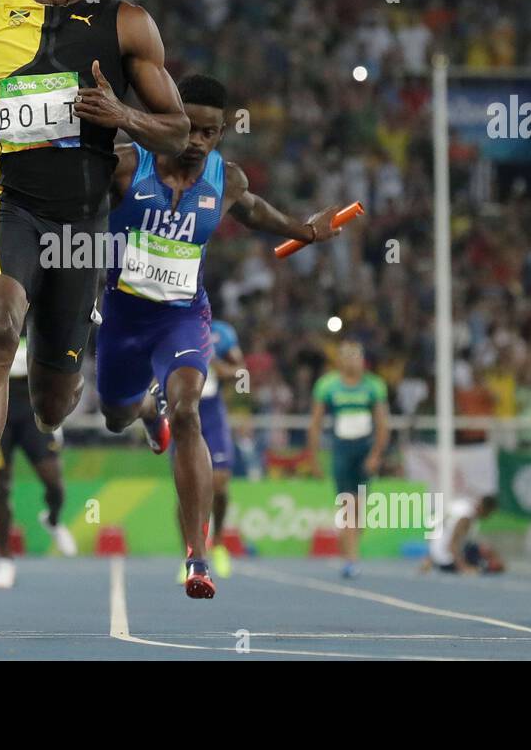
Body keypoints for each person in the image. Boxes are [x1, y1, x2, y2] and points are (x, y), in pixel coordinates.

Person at [0, 0, 190, 572]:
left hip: (82, 226)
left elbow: (179, 130)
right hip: (5, 202)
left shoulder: (125, 25)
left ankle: (115, 390)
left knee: (52, 402)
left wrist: (120, 112)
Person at [97, 74, 342, 598]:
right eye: (190, 130)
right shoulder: (125, 164)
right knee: (116, 414)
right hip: (122, 319)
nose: (197, 142)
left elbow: (252, 211)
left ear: (223, 132)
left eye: (210, 133)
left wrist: (305, 230)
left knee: (186, 409)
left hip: (182, 319)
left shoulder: (224, 179)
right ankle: (144, 413)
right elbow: (68, 196)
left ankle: (197, 557)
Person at [0, 302, 78, 590]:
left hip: (35, 401)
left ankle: (53, 518)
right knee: (2, 486)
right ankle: (6, 559)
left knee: (53, 481)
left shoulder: (48, 302)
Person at [306, 340, 389, 578]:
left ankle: (351, 553)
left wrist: (376, 455)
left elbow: (383, 424)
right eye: (347, 355)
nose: (352, 360)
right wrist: (314, 459)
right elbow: (315, 424)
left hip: (365, 448)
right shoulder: (327, 386)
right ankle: (351, 558)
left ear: (362, 359)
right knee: (347, 504)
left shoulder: (374, 385)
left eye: (356, 355)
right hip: (342, 449)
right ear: (339, 359)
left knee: (359, 508)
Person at [172, 318, 243, 584]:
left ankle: (220, 542)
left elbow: (241, 373)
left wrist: (211, 361)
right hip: (180, 409)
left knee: (220, 482)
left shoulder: (221, 333)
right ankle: (189, 556)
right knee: (187, 487)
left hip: (211, 412)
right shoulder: (171, 326)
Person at [423, 496, 503, 574]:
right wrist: (464, 568)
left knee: (481, 548)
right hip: (447, 561)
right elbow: (452, 545)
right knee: (485, 557)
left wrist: (430, 557)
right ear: (485, 509)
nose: (489, 517)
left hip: (438, 554)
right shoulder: (466, 519)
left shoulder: (464, 507)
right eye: (490, 513)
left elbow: (439, 530)